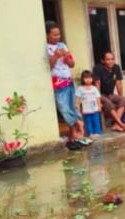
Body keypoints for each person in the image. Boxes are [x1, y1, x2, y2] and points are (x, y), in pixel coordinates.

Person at [45, 21, 90, 150]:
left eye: (58, 34)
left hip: (68, 80)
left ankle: (72, 139)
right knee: (65, 109)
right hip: (57, 82)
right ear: (47, 35)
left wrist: (67, 59)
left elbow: (72, 64)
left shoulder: (62, 45)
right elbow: (49, 66)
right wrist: (55, 56)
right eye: (54, 35)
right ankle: (78, 124)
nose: (57, 37)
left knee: (71, 108)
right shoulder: (45, 48)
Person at [93, 51, 125, 132]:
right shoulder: (98, 68)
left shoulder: (116, 67)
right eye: (108, 59)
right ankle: (121, 124)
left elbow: (119, 83)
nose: (111, 61)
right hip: (99, 94)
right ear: (103, 61)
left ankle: (116, 125)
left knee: (123, 101)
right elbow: (97, 84)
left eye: (112, 59)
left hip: (110, 94)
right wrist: (98, 100)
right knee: (108, 103)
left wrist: (121, 96)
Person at [75, 70, 103, 138]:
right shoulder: (80, 89)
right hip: (86, 109)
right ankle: (90, 133)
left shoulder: (94, 88)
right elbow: (77, 99)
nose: (88, 80)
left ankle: (97, 132)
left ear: (92, 78)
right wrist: (77, 106)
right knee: (88, 122)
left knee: (96, 120)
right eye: (86, 78)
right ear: (83, 79)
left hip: (95, 108)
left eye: (90, 78)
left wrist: (99, 106)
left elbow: (98, 98)